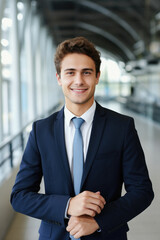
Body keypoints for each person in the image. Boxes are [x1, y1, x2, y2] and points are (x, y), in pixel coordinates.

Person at [11, 36, 154, 240]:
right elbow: (19, 196)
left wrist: (98, 222)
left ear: (97, 76)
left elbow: (142, 192)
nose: (78, 80)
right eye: (70, 72)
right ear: (59, 78)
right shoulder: (41, 130)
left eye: (86, 72)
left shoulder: (122, 127)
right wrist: (68, 206)